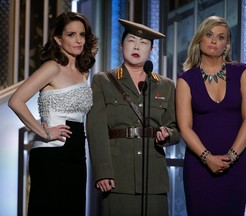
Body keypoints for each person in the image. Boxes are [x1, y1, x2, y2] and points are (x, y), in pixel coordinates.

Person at [86, 19, 180, 216]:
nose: (137, 46)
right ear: (121, 46)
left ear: (151, 50)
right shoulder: (103, 81)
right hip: (118, 175)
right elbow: (96, 130)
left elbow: (176, 127)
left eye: (144, 43)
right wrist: (103, 172)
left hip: (154, 177)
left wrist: (168, 134)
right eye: (131, 41)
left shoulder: (166, 85)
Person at [8, 12, 98, 216]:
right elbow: (16, 101)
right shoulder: (52, 67)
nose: (78, 40)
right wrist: (44, 132)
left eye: (82, 35)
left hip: (76, 152)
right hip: (51, 153)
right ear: (58, 39)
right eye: (71, 34)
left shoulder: (83, 71)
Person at [176, 16, 246, 216]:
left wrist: (231, 157)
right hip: (199, 166)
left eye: (221, 37)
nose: (214, 41)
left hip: (236, 165)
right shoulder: (186, 79)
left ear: (226, 45)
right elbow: (185, 127)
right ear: (200, 39)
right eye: (209, 35)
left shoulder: (241, 72)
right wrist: (207, 158)